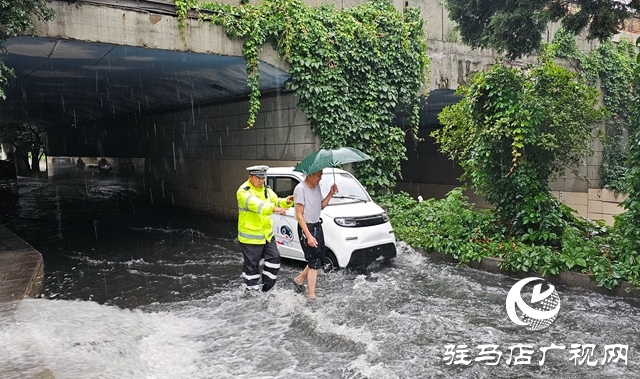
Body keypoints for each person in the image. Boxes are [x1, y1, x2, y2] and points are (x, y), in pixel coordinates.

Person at [237, 165, 294, 293]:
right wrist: (274, 209)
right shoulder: (243, 192)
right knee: (252, 268)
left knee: (274, 259)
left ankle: (266, 290)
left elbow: (276, 201)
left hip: (267, 235)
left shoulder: (266, 189)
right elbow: (258, 206)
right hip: (250, 237)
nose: (261, 181)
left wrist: (287, 201)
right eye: (258, 178)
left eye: (263, 178)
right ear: (250, 177)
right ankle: (252, 294)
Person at [291, 169, 338, 299]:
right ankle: (311, 295)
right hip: (306, 227)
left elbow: (320, 206)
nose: (320, 178)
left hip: (317, 226)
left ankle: (299, 279)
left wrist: (330, 193)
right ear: (310, 174)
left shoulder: (317, 187)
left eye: (321, 175)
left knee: (320, 258)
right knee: (314, 261)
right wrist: (309, 235)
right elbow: (299, 216)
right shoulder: (300, 189)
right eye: (319, 175)